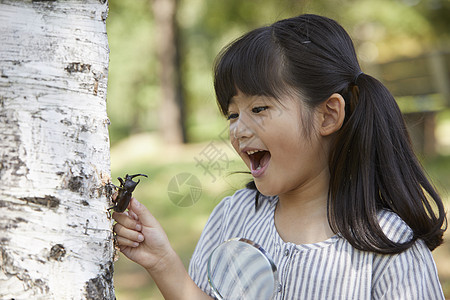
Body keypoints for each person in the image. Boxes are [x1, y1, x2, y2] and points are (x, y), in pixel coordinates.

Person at [112, 14, 447, 299]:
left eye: (259, 108)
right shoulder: (234, 217)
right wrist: (162, 261)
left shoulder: (388, 245)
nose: (238, 130)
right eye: (232, 115)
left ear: (328, 115)